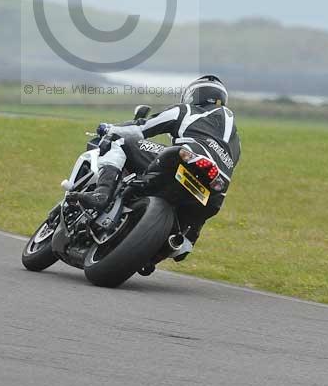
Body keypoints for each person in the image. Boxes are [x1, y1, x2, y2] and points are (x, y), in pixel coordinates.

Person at [68, 75, 241, 261]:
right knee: (197, 219)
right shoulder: (236, 142)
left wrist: (110, 128)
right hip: (215, 188)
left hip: (185, 157)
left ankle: (101, 194)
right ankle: (185, 241)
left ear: (194, 95)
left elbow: (142, 128)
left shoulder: (186, 110)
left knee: (121, 141)